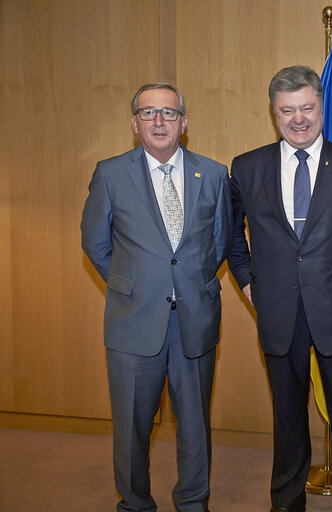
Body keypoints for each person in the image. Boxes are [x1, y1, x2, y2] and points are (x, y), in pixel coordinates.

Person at [227, 65, 332, 512]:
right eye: (287, 110)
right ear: (273, 113)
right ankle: (286, 504)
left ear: (322, 108)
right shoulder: (246, 167)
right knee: (287, 419)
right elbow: (229, 237)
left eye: (306, 108)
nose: (298, 118)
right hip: (278, 312)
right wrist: (246, 281)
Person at [81, 82, 232, 511]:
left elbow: (219, 244)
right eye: (148, 113)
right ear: (134, 123)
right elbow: (95, 243)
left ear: (184, 122)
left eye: (168, 113)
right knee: (131, 427)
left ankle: (193, 502)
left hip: (195, 321)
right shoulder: (110, 173)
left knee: (195, 427)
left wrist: (186, 282)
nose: (159, 121)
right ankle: (135, 503)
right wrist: (133, 283)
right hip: (133, 322)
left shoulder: (215, 173)